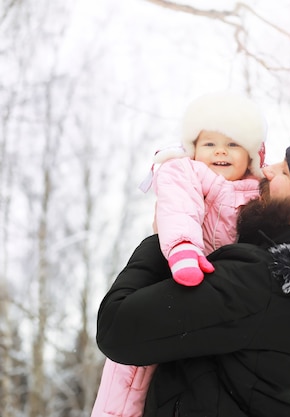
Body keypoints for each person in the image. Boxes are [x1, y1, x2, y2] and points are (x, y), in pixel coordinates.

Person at [96, 137, 290, 417]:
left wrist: (161, 239)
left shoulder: (260, 281)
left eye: (285, 173)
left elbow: (116, 328)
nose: (266, 170)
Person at [91, 92, 267, 417]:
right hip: (180, 270)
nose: (220, 152)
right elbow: (178, 210)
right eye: (209, 144)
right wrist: (184, 249)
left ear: (253, 155)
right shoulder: (185, 173)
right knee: (131, 372)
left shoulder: (261, 194)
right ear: (193, 149)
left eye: (233, 144)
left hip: (221, 296)